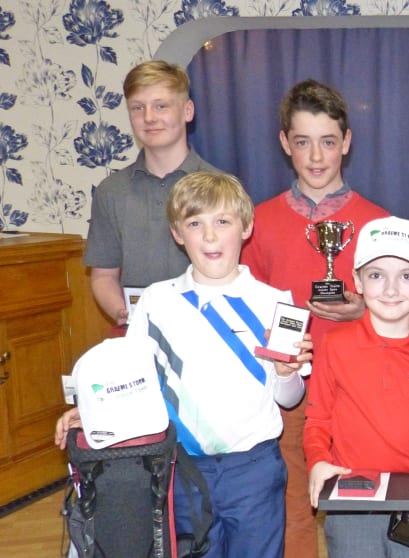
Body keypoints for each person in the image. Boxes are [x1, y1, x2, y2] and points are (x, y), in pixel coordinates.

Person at [57, 170, 312, 558]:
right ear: (178, 233)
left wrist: (287, 374)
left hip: (255, 469)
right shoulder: (157, 303)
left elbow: (290, 398)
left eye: (222, 222)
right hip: (180, 468)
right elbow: (130, 384)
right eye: (195, 223)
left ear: (245, 227)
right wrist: (88, 414)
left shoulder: (276, 304)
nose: (210, 236)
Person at [240, 79, 389, 558]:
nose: (317, 156)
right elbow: (246, 310)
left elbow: (407, 310)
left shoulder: (379, 224)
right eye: (302, 142)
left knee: (363, 506)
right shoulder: (255, 223)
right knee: (292, 506)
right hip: (290, 389)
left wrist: (363, 307)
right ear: (285, 143)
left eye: (328, 141)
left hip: (360, 387)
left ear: (346, 141)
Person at [303, 216, 409, 557]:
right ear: (357, 280)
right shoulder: (334, 346)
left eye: (406, 276)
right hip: (351, 507)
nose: (390, 290)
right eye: (376, 275)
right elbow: (318, 421)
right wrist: (318, 461)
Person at [85, 60, 217, 325]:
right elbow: (103, 276)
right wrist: (124, 315)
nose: (149, 118)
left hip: (206, 336)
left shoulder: (220, 187)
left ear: (187, 110)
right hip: (136, 338)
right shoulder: (111, 192)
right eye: (137, 108)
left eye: (161, 106)